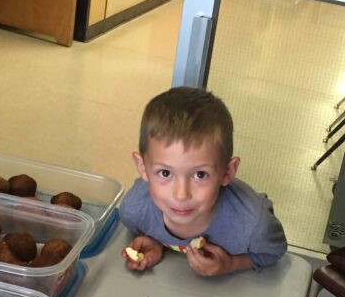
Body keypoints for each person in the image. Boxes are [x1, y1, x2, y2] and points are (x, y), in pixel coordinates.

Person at [120, 87, 287, 276]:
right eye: (165, 173)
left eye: (200, 175)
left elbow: (273, 252)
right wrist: (156, 240)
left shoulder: (255, 228)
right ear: (143, 168)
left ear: (227, 172)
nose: (181, 195)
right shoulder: (134, 211)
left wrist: (230, 264)